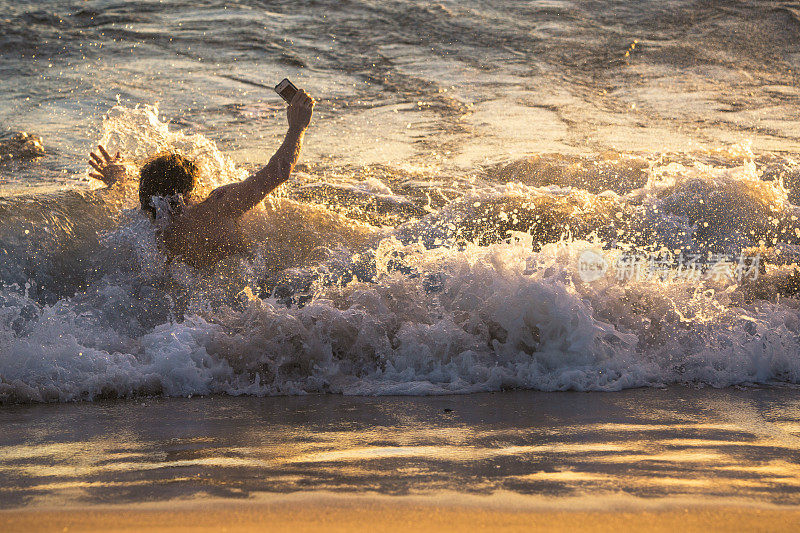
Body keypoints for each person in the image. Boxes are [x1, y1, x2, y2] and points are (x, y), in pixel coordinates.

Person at [88, 89, 315, 268]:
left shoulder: (150, 232)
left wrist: (116, 179)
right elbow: (278, 172)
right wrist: (297, 128)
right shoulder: (217, 208)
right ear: (188, 191)